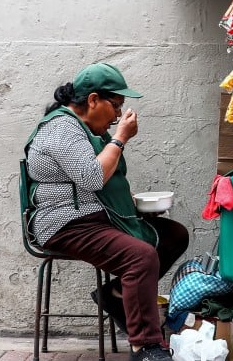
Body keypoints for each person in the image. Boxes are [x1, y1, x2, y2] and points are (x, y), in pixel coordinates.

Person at [23, 63, 189, 361]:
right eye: (115, 105)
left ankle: (116, 296)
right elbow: (92, 177)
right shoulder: (62, 127)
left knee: (173, 235)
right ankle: (146, 346)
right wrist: (120, 138)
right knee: (139, 255)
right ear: (93, 100)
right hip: (67, 223)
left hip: (97, 217)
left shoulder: (81, 129)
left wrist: (131, 207)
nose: (117, 115)